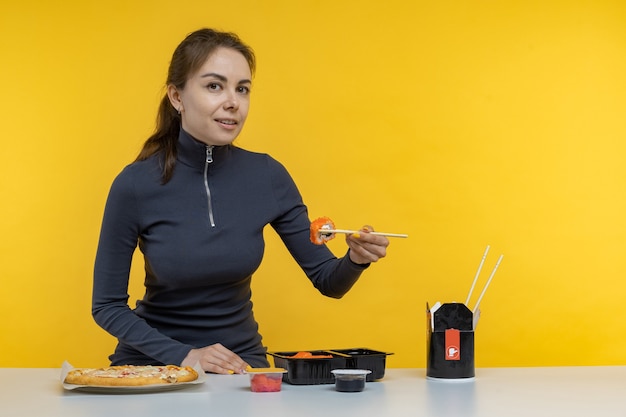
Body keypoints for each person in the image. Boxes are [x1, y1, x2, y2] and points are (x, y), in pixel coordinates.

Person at [92, 28, 390, 375]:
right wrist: (187, 356)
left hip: (239, 363)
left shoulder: (268, 176)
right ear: (177, 96)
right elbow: (107, 306)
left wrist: (355, 259)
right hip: (152, 363)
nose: (233, 101)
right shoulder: (134, 184)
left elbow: (328, 281)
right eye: (214, 86)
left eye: (242, 89)